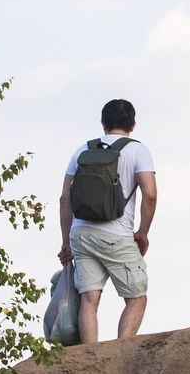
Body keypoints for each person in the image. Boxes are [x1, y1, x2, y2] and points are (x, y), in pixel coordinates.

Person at [56, 99, 157, 342]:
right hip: (117, 235)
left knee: (89, 299)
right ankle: (121, 351)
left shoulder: (82, 150)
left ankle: (91, 354)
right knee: (136, 298)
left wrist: (66, 242)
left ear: (103, 123)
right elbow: (150, 194)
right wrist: (143, 233)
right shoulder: (137, 150)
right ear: (133, 124)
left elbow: (64, 198)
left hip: (81, 234)